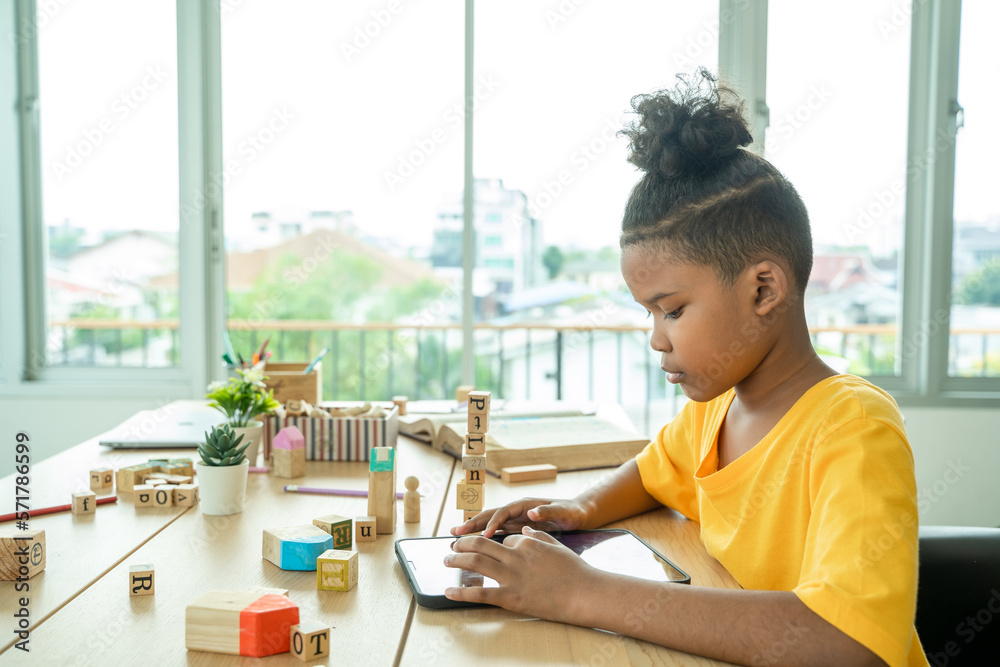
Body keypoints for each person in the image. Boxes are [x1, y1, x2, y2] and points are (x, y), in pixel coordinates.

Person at [447, 69, 927, 667]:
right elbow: (651, 472)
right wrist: (577, 510)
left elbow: (847, 640)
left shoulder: (854, 429)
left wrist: (582, 592)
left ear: (763, 289)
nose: (656, 339)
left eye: (671, 311)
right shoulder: (717, 409)